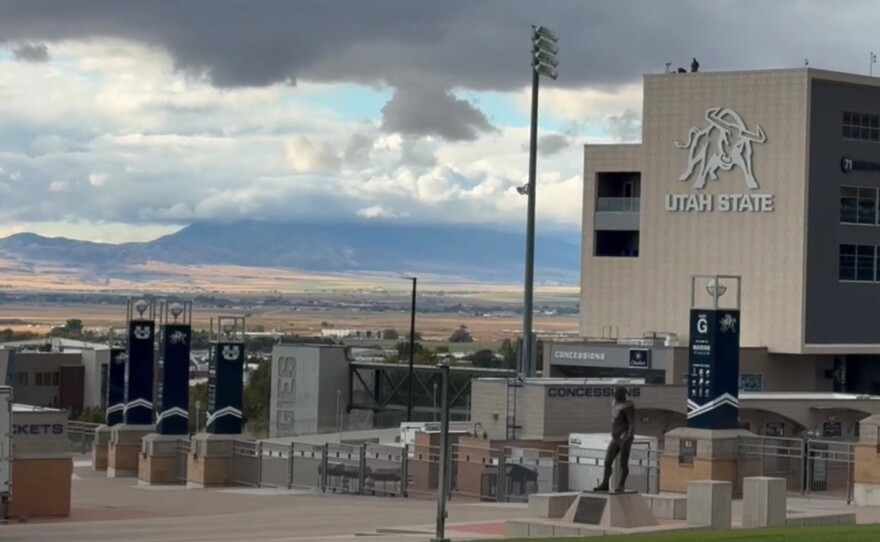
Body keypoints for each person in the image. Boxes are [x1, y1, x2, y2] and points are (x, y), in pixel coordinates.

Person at [594, 386, 636, 492]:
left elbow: (632, 423)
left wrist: (629, 436)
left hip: (624, 437)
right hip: (615, 437)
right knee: (607, 462)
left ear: (621, 394)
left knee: (623, 463)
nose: (615, 395)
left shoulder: (628, 406)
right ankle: (605, 483)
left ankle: (621, 484)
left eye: (617, 394)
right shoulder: (614, 403)